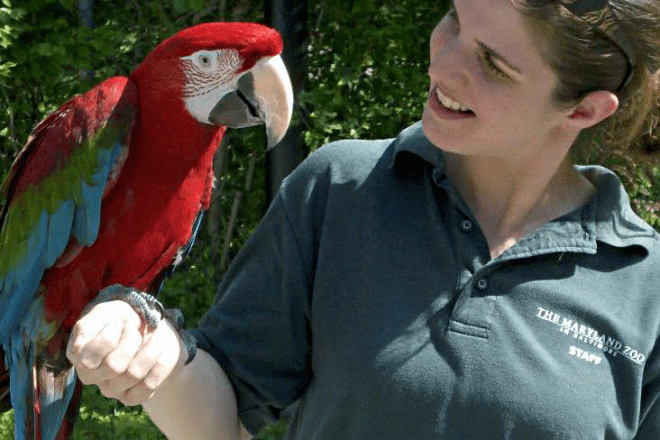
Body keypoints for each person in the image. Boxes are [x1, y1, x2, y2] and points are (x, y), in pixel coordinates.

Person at [66, 0, 660, 438]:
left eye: (494, 64)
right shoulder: (340, 190)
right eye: (454, 18)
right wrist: (156, 352)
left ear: (583, 109)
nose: (444, 64)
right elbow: (222, 419)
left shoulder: (646, 285)